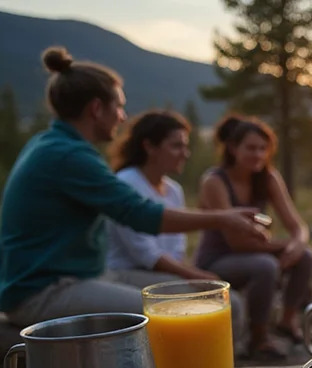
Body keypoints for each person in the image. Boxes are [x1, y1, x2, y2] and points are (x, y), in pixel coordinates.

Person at [0, 47, 263, 328]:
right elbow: (141, 215)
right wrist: (223, 218)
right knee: (185, 313)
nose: (123, 116)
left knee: (203, 295)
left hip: (79, 279)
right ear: (96, 109)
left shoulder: (52, 144)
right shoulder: (69, 156)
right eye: (119, 106)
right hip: (44, 292)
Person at [104, 110, 246, 340]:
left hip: (162, 275)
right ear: (149, 146)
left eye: (185, 146)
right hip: (126, 274)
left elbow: (177, 246)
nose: (185, 154)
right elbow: (145, 254)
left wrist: (191, 276)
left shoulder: (173, 190)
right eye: (176, 146)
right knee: (221, 301)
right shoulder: (126, 184)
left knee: (226, 300)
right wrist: (194, 275)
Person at [195, 115, 312, 360]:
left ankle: (286, 320)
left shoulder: (268, 177)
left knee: (305, 256)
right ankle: (258, 337)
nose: (258, 155)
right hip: (218, 258)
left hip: (254, 251)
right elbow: (236, 242)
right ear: (232, 148)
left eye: (263, 149)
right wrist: (280, 246)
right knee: (266, 265)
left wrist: (296, 244)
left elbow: (298, 225)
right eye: (251, 148)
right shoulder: (215, 182)